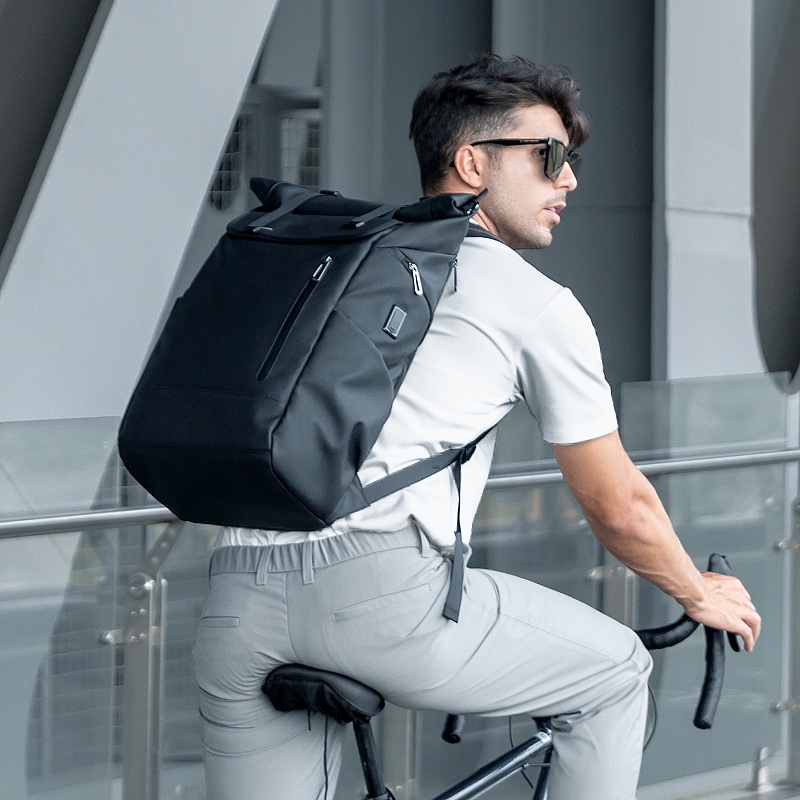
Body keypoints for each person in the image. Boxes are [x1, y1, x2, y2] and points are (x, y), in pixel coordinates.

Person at [193, 53, 761, 800]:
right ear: (471, 163)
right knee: (618, 673)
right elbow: (619, 506)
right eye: (549, 156)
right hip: (384, 604)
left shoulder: (340, 263)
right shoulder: (531, 300)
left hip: (235, 600)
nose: (568, 179)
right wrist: (695, 591)